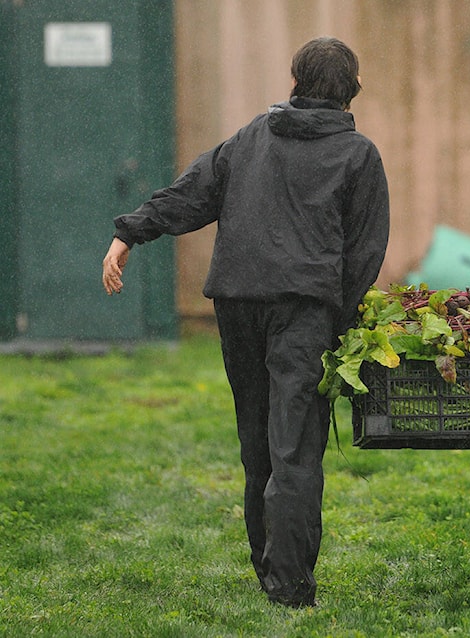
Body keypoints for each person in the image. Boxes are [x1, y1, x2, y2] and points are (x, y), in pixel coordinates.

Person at [101, 37, 390, 608]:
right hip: (305, 312)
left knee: (257, 444)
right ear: (353, 89)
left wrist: (128, 232)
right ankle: (289, 586)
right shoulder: (359, 155)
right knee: (295, 448)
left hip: (236, 306)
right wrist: (340, 316)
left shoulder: (250, 139)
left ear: (293, 81)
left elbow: (191, 194)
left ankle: (270, 571)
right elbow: (365, 252)